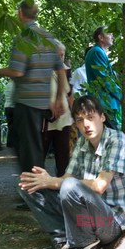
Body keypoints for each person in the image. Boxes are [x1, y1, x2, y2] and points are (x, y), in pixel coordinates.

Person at [19, 95, 125, 249]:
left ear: (102, 117)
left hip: (111, 221)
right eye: (80, 120)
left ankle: (85, 243)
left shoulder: (117, 141)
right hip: (87, 214)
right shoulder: (82, 143)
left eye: (90, 118)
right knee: (28, 186)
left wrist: (53, 181)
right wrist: (45, 181)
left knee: (68, 185)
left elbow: (99, 186)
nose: (86, 124)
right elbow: (65, 179)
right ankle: (62, 239)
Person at [0, 1, 67, 175]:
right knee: (35, 147)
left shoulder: (24, 38)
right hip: (44, 103)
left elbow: (17, 72)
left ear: (20, 13)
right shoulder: (48, 37)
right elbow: (60, 70)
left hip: (27, 102)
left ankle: (34, 194)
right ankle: (36, 191)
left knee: (28, 151)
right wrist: (59, 98)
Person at [43, 41, 73, 177]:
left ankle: (63, 185)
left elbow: (69, 93)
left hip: (64, 120)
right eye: (57, 55)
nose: (60, 58)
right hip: (44, 121)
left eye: (62, 55)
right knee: (39, 155)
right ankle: (35, 187)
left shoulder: (65, 70)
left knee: (63, 156)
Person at [85, 26, 122, 129]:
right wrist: (121, 95)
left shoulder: (100, 52)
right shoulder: (97, 52)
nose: (112, 36)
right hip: (103, 103)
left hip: (106, 103)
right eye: (109, 33)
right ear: (101, 37)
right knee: (112, 137)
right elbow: (104, 79)